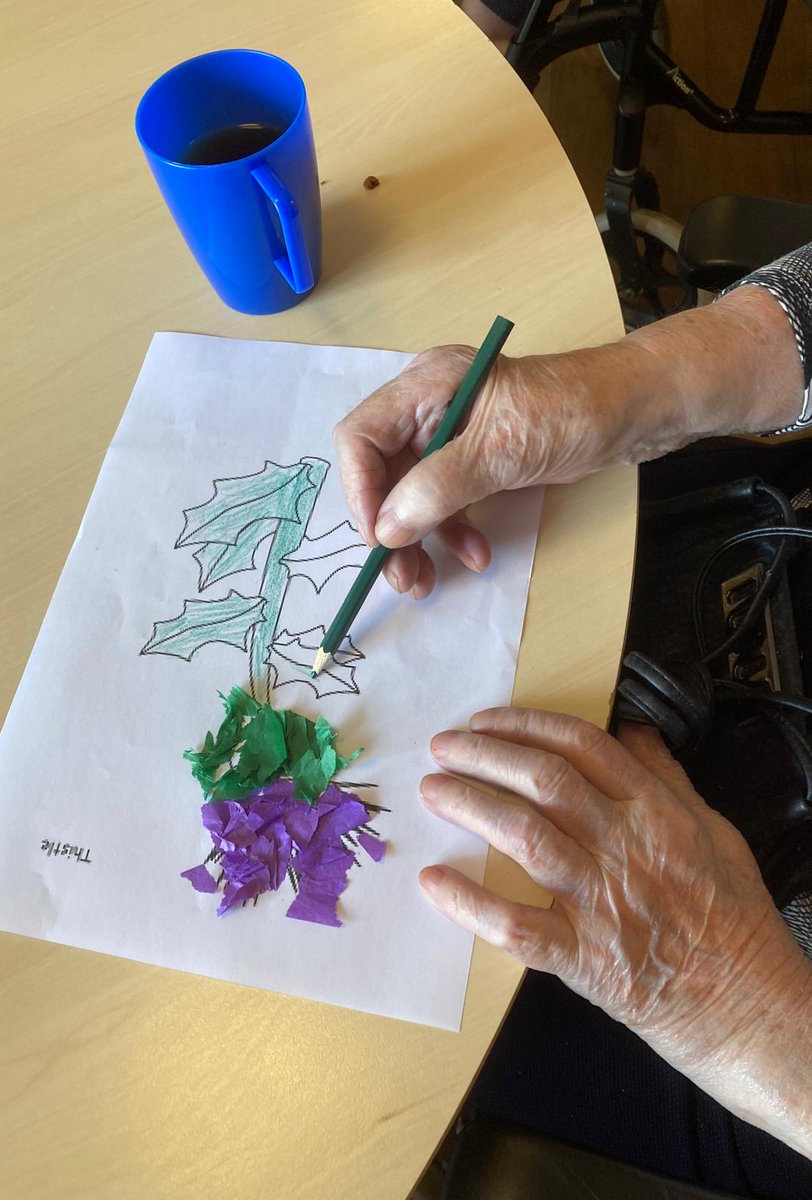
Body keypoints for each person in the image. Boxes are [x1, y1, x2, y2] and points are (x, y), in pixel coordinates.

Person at [332, 246, 812, 1173]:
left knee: (427, 1024)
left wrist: (741, 998)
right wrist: (622, 388)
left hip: (773, 1006)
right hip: (771, 529)